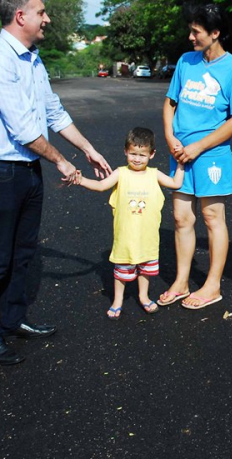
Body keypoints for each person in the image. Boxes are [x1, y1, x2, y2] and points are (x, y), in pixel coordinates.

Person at [0, 0, 112, 366]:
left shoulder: (32, 58)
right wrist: (62, 162)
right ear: (21, 16)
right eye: (41, 12)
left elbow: (54, 112)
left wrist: (88, 149)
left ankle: (13, 320)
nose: (47, 18)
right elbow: (22, 130)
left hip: (26, 171)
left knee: (23, 254)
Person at [159, 4, 232, 310]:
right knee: (180, 218)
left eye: (196, 32)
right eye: (190, 30)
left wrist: (198, 147)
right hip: (180, 152)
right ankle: (181, 281)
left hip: (210, 155)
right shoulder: (186, 62)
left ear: (215, 34)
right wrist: (170, 137)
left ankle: (212, 285)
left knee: (213, 218)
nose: (190, 37)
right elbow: (169, 104)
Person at [74, 127, 184, 320]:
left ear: (152, 154)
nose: (137, 158)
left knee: (146, 269)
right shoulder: (120, 173)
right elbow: (100, 186)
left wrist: (181, 164)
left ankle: (143, 296)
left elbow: (175, 184)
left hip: (147, 238)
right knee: (121, 272)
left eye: (142, 155)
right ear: (125, 151)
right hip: (125, 237)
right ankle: (117, 301)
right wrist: (80, 180)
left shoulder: (155, 175)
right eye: (133, 153)